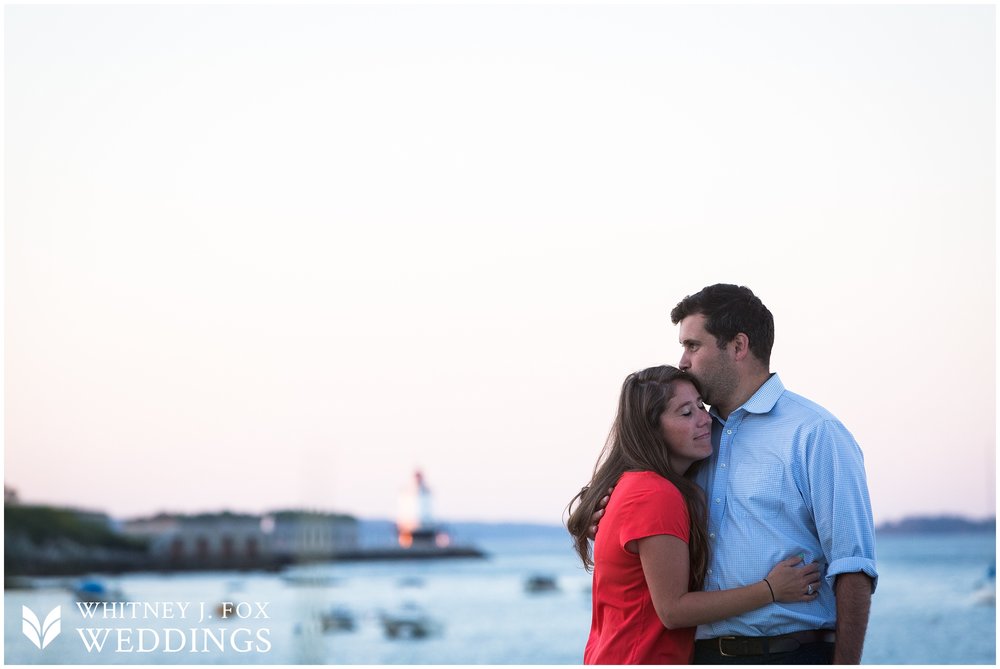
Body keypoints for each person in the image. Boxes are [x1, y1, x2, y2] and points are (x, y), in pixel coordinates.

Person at [591, 284, 878, 664]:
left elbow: (852, 565)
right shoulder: (692, 439)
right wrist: (607, 515)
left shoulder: (814, 433)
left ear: (738, 346)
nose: (682, 361)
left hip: (790, 653)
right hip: (700, 655)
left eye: (693, 345)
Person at [567, 365, 821, 665]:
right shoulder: (655, 494)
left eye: (701, 405)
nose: (705, 420)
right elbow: (673, 611)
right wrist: (770, 590)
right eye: (686, 413)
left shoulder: (634, 486)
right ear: (652, 430)